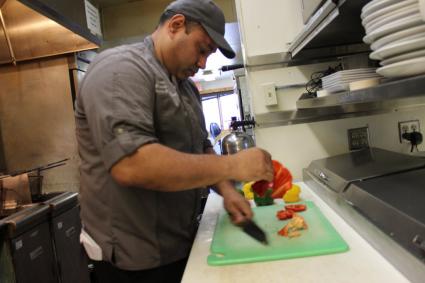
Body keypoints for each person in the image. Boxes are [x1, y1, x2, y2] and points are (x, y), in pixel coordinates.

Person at [74, 0, 273, 282]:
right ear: (176, 25)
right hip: (133, 262)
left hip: (177, 245)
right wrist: (232, 165)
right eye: (202, 49)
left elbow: (201, 147)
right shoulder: (121, 71)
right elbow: (132, 164)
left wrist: (227, 191)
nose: (203, 63)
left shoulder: (185, 88)